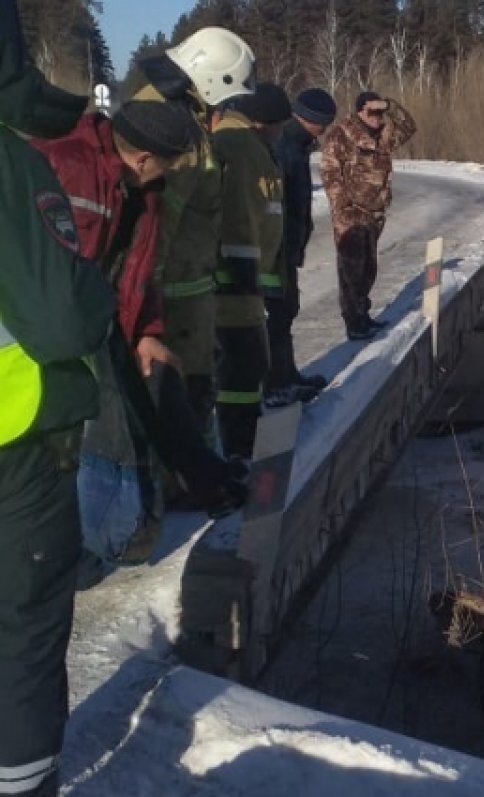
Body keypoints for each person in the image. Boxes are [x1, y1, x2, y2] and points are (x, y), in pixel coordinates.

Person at [0, 0, 115, 791]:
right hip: (17, 444)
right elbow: (62, 319)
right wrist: (94, 288)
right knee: (23, 632)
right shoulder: (11, 163)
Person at [30, 100, 197, 570]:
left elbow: (139, 272)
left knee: (130, 414)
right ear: (143, 158)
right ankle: (77, 546)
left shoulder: (143, 190)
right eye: (168, 163)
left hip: (98, 325)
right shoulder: (64, 165)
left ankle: (110, 532)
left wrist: (146, 331)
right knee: (75, 440)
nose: (172, 172)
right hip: (50, 334)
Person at [129, 27, 256, 435]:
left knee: (188, 394)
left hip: (184, 292)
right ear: (212, 79)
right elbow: (156, 222)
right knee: (182, 397)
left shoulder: (178, 112)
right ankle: (189, 470)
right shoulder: (172, 128)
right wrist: (145, 312)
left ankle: (194, 461)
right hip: (172, 300)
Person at [212, 82, 291, 459]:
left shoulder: (247, 143)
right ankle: (240, 447)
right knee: (242, 366)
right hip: (234, 284)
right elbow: (239, 216)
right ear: (265, 122)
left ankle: (242, 438)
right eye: (280, 125)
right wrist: (246, 276)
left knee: (247, 363)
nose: (281, 133)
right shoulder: (241, 147)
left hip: (243, 281)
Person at [320, 91, 417, 341]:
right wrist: (343, 208)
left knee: (368, 269)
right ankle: (353, 322)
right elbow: (330, 173)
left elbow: (408, 127)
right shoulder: (342, 135)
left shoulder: (383, 135)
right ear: (360, 111)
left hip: (374, 213)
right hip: (351, 213)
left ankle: (363, 315)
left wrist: (390, 104)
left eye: (380, 113)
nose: (377, 117)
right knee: (351, 271)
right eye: (372, 112)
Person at [264, 87, 337, 406]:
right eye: (324, 123)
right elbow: (278, 202)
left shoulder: (296, 143)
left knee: (287, 309)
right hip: (276, 246)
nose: (326, 129)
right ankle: (276, 383)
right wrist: (283, 243)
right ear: (311, 120)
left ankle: (288, 374)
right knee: (278, 313)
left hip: (286, 244)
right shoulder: (286, 145)